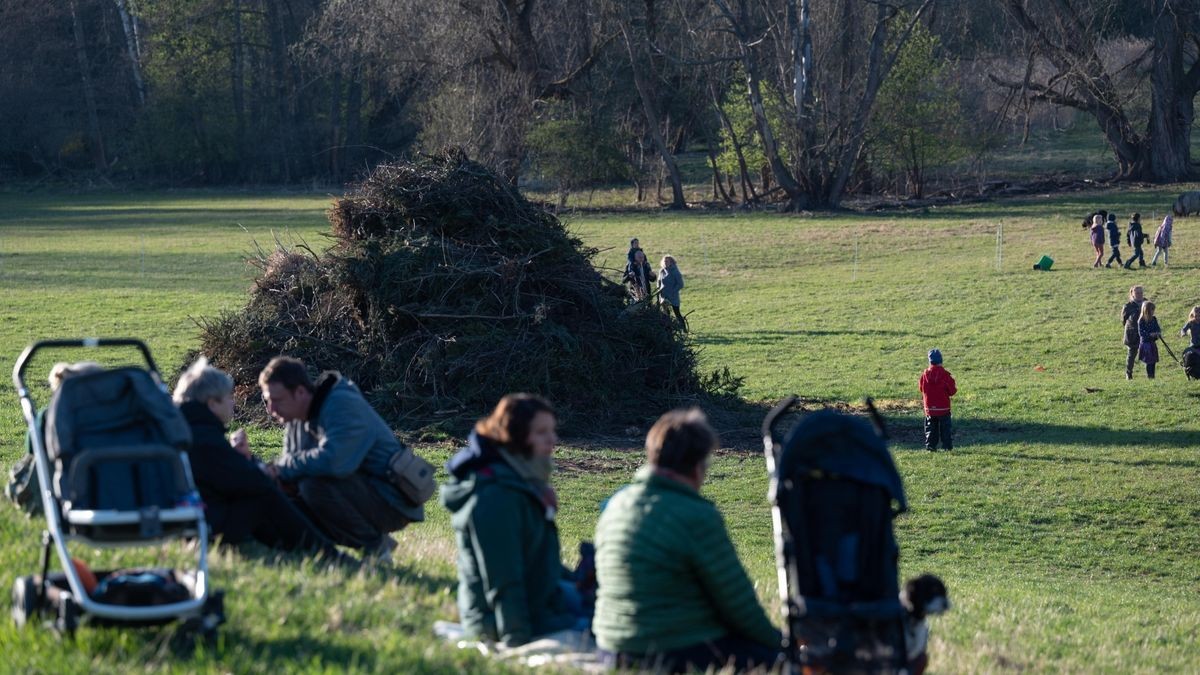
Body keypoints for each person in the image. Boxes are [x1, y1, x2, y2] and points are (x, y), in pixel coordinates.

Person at [593, 409, 781, 673]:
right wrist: (781, 644)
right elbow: (737, 604)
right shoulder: (695, 516)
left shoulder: (617, 504)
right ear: (698, 465)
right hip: (671, 650)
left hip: (611, 649)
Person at [441, 394, 587, 646]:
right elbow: (503, 578)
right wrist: (515, 642)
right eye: (541, 432)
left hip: (541, 597)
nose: (553, 440)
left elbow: (535, 556)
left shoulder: (523, 481)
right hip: (501, 620)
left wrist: (579, 583)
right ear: (515, 436)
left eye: (552, 430)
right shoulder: (495, 495)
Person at [174, 357, 349, 561]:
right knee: (264, 493)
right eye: (228, 397)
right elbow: (254, 480)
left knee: (260, 492)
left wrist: (241, 458)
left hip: (191, 519)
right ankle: (325, 552)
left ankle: (299, 545)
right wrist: (252, 463)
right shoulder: (205, 438)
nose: (233, 402)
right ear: (212, 403)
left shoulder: (186, 430)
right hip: (208, 525)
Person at [258, 356, 424, 560]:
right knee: (288, 502)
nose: (271, 410)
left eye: (277, 400)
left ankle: (376, 549)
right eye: (268, 401)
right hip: (358, 491)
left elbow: (335, 462)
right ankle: (315, 553)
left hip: (392, 499)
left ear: (300, 392)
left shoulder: (342, 403)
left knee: (313, 485)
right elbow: (292, 469)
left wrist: (281, 469)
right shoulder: (295, 419)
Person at [919, 349, 957, 452]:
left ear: (930, 361)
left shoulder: (924, 375)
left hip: (929, 408)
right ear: (941, 360)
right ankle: (947, 447)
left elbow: (921, 389)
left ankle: (930, 446)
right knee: (945, 429)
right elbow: (952, 391)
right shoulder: (945, 375)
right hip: (943, 407)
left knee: (930, 428)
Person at [657, 254, 687, 331]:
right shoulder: (662, 271)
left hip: (673, 297)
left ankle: (684, 329)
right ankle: (668, 329)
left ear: (671, 262)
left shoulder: (675, 271)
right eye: (664, 261)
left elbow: (680, 284)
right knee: (666, 314)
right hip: (663, 297)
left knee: (677, 313)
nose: (666, 262)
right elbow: (659, 282)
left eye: (667, 261)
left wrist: (672, 292)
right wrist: (659, 293)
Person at [1122, 286, 1145, 379]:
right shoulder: (1128, 306)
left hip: (1145, 333)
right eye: (1137, 293)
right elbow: (1124, 321)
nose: (1139, 295)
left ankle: (1150, 374)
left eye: (1141, 293)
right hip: (1132, 335)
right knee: (1132, 355)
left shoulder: (1146, 303)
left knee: (1149, 353)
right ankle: (1129, 373)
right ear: (1132, 294)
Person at [1138, 301, 1162, 379]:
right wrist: (1150, 334)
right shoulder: (1141, 321)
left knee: (1153, 361)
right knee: (1148, 361)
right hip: (1145, 344)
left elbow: (1157, 328)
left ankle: (1153, 376)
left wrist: (1157, 333)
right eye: (1152, 309)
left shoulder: (1154, 319)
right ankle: (1149, 376)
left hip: (1152, 343)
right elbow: (1142, 333)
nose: (1153, 311)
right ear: (1146, 310)